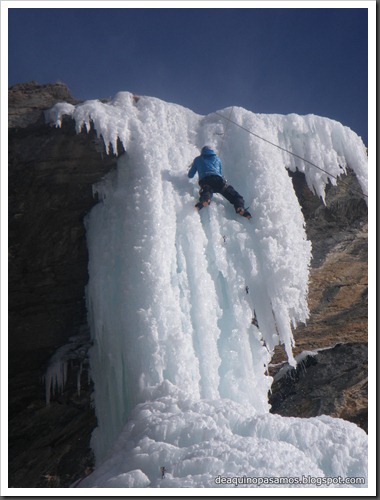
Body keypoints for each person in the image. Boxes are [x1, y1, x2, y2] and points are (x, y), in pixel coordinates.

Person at [188, 146, 252, 218]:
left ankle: (205, 200)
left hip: (206, 180)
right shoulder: (217, 159)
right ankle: (240, 207)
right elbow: (220, 173)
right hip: (218, 181)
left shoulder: (198, 159)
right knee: (235, 195)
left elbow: (190, 175)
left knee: (207, 190)